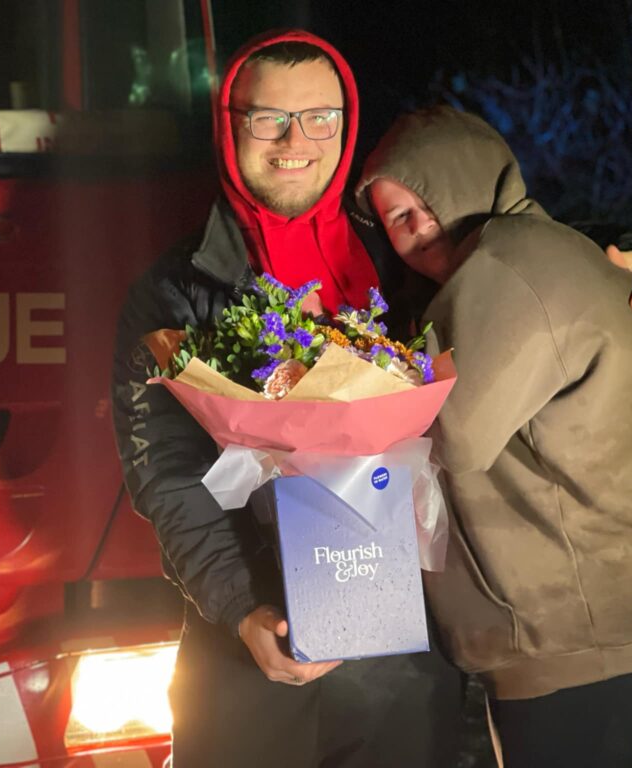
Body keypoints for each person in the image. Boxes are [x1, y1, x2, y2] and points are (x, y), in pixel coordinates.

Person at [111, 30, 462, 768]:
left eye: (319, 118)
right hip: (250, 651)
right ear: (229, 126)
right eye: (268, 119)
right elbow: (165, 473)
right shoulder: (174, 291)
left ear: (348, 125)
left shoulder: (406, 261)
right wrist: (240, 608)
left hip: (403, 650)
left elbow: (529, 266)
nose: (294, 141)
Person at [357, 105, 632, 768]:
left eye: (419, 205)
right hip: (605, 639)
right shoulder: (548, 252)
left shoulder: (507, 263)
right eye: (394, 222)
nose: (412, 234)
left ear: (465, 178)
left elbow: (445, 434)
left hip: (582, 656)